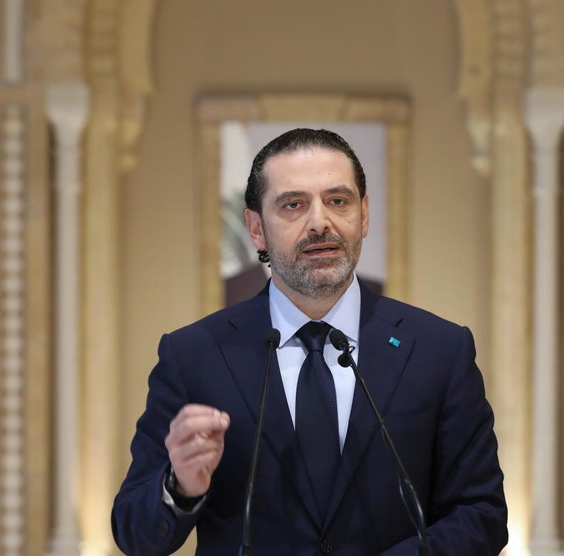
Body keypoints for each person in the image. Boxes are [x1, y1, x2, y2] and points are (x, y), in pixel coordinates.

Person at [111, 128, 508, 555]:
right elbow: (135, 533)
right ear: (256, 229)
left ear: (365, 215)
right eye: (293, 205)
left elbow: (481, 515)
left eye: (338, 201)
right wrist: (180, 487)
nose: (320, 221)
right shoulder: (193, 356)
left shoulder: (439, 350)